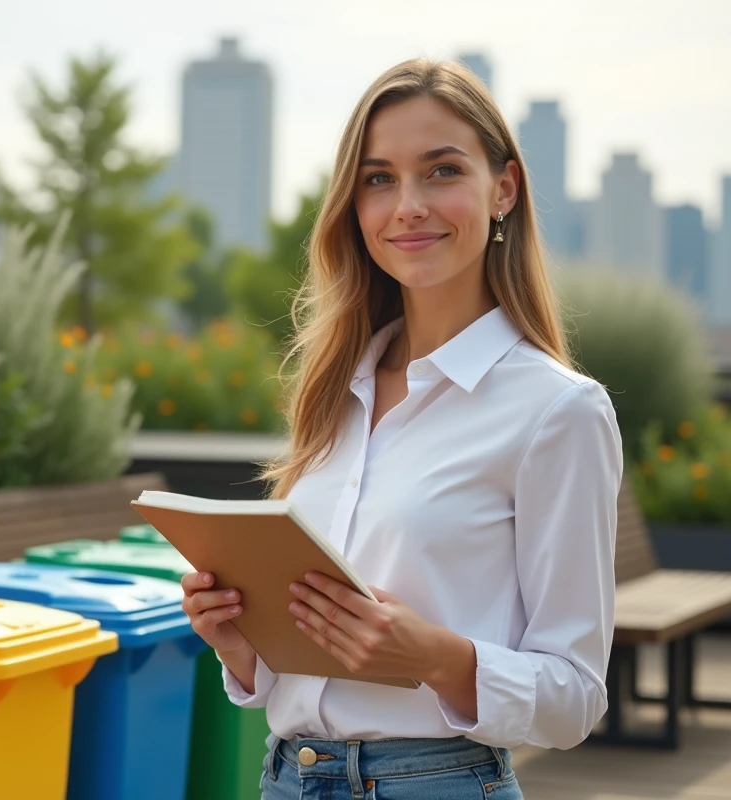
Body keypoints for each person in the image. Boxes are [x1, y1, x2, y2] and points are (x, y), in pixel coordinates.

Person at [180, 57, 623, 800]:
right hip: (288, 778)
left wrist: (438, 656)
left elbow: (576, 697)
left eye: (441, 171)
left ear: (503, 188)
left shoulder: (558, 411)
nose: (407, 205)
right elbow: (305, 665)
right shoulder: (334, 393)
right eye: (379, 179)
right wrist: (241, 642)